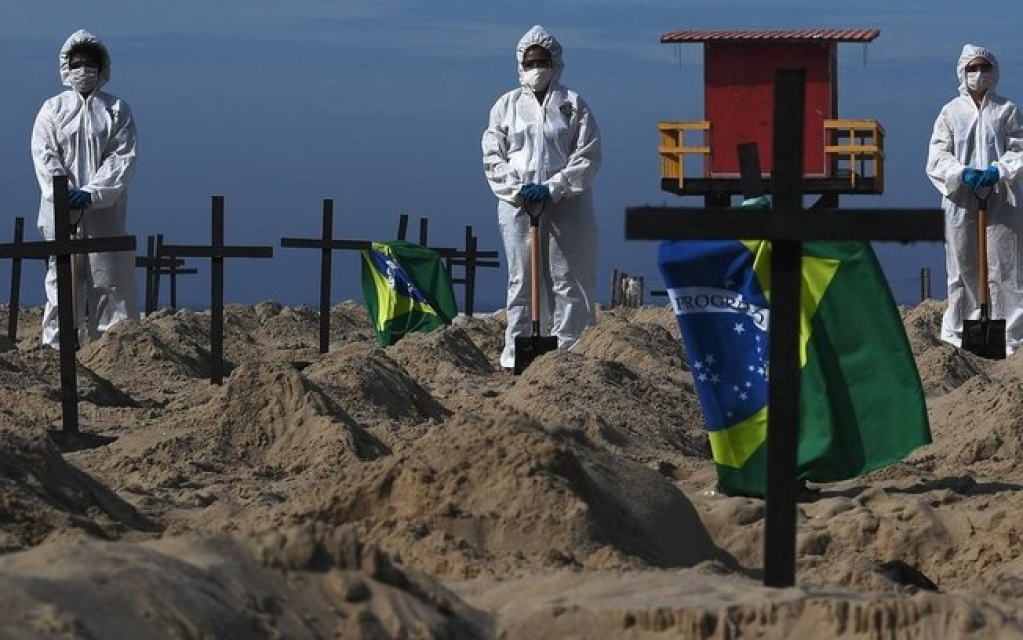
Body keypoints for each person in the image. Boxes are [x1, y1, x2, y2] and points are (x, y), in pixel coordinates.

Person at [481, 24, 602, 370]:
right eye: (531, 62)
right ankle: (516, 354)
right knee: (522, 278)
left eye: (542, 61)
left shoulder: (573, 105)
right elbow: (493, 156)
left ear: (556, 62)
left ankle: (570, 352)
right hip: (518, 205)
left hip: (568, 203)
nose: (537, 68)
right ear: (521, 64)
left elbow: (588, 156)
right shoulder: (505, 107)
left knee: (568, 276)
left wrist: (554, 187)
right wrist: (518, 189)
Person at [31, 30, 140, 349]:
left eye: (89, 63)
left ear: (101, 66)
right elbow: (44, 155)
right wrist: (62, 192)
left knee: (111, 282)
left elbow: (122, 158)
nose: (83, 69)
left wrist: (93, 193)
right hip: (60, 212)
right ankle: (57, 347)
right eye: (77, 63)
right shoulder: (52, 110)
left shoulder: (117, 110)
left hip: (105, 212)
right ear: (66, 66)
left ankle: (114, 350)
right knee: (61, 283)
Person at [927, 44, 1023, 356]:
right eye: (972, 68)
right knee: (961, 265)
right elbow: (938, 155)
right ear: (962, 72)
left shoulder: (1006, 110)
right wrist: (961, 172)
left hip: (1001, 196)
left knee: (1005, 265)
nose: (978, 74)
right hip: (960, 197)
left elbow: (1019, 148)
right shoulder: (950, 112)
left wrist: (999, 169)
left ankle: (1011, 337)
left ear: (993, 71)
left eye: (983, 67)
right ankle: (957, 336)